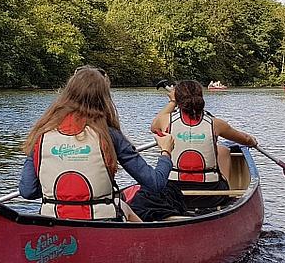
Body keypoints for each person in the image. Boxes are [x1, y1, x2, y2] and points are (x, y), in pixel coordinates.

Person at [19, 66, 174, 222]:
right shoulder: (110, 135)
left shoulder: (41, 135)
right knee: (123, 206)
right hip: (102, 222)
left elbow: (28, 191)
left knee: (122, 205)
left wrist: (63, 193)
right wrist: (165, 152)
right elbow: (155, 183)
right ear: (103, 98)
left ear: (67, 94)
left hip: (53, 221)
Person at [151, 80, 257, 192]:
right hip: (210, 191)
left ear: (178, 100)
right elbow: (245, 140)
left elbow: (154, 127)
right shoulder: (216, 124)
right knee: (223, 150)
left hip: (173, 191)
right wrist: (252, 141)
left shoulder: (166, 120)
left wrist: (172, 102)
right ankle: (226, 192)